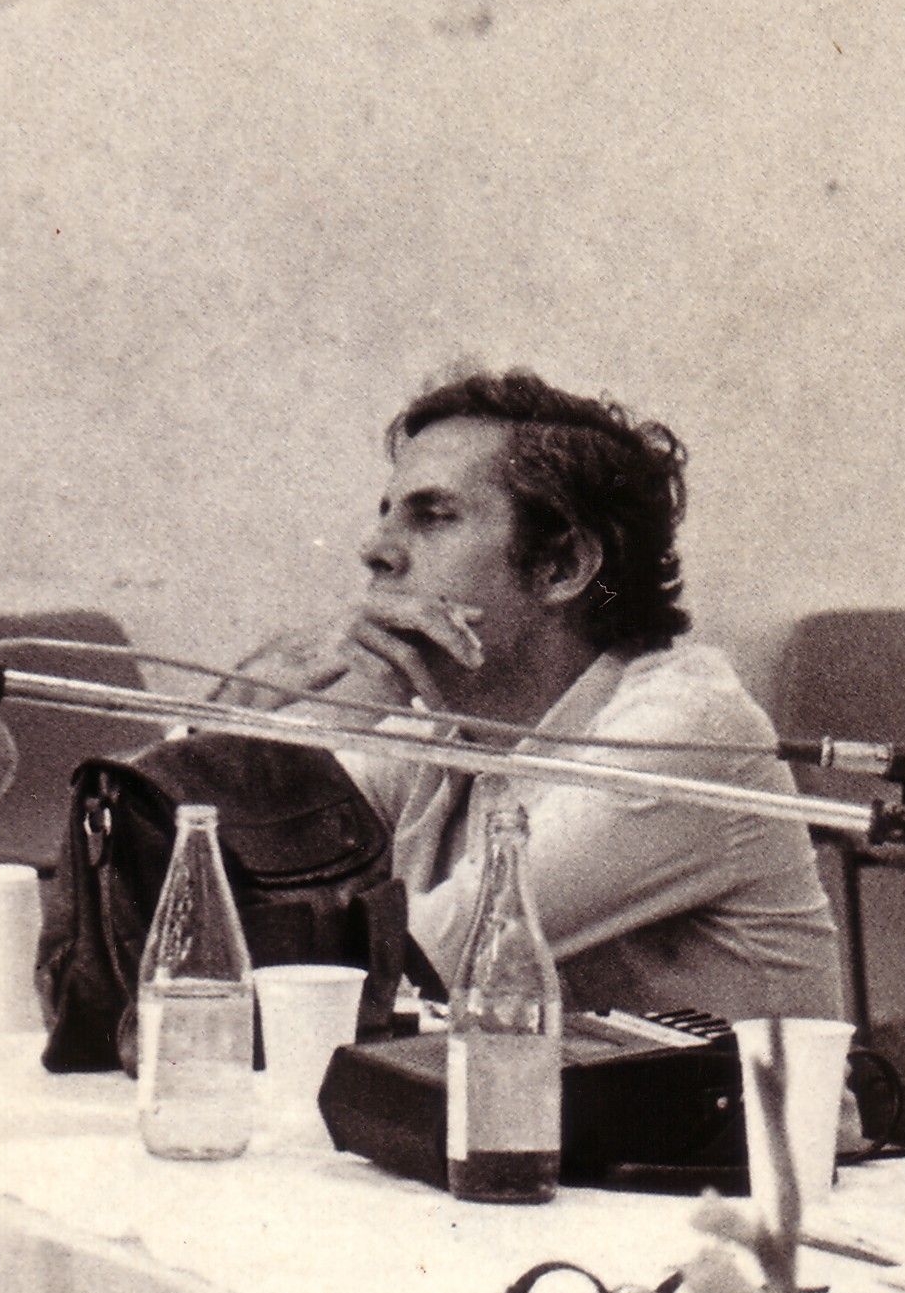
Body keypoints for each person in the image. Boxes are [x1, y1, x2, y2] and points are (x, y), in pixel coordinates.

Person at [240, 370, 840, 1021]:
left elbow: (387, 970)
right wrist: (288, 686)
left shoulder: (683, 731)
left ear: (562, 567)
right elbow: (178, 865)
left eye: (433, 517)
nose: (375, 550)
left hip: (728, 1126)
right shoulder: (435, 728)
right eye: (387, 515)